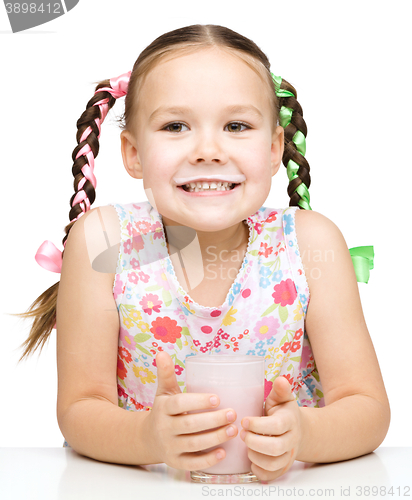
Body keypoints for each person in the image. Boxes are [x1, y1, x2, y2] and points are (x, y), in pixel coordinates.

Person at [16, 24, 390, 482]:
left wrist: (304, 433)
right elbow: (80, 408)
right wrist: (147, 437)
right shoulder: (104, 241)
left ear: (274, 149)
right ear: (133, 153)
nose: (209, 150)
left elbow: (367, 409)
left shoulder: (311, 243)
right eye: (176, 126)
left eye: (236, 126)